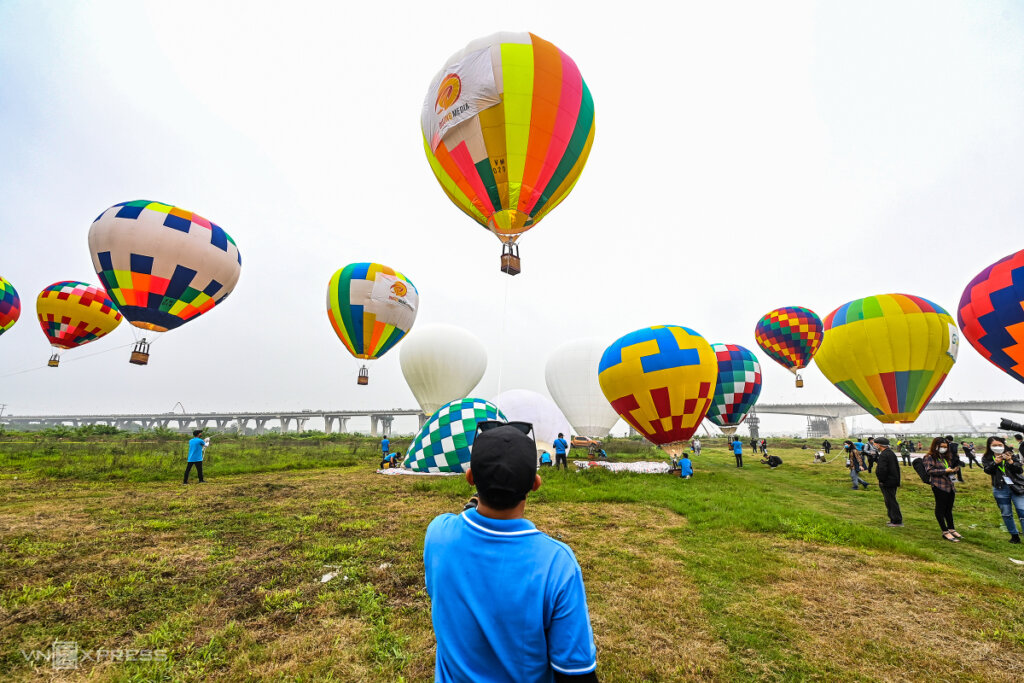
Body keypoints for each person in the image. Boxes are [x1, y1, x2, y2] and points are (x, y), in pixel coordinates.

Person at [424, 424, 598, 682]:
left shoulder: (438, 534)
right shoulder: (557, 563)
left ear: (470, 477)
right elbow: (575, 673)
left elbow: (464, 515)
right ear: (535, 484)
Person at [981, 436, 1024, 544]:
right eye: (994, 445)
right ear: (989, 446)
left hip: (1016, 487)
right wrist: (995, 462)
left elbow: (1019, 470)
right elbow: (987, 470)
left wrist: (1010, 461)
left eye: (1000, 445)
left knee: (1022, 511)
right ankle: (1014, 535)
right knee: (1006, 513)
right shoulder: (987, 457)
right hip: (1000, 488)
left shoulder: (1011, 455)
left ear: (1003, 445)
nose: (998, 447)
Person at [922, 437, 961, 542]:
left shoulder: (945, 457)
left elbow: (948, 469)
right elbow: (929, 470)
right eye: (942, 447)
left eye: (945, 447)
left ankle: (951, 528)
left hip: (950, 485)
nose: (944, 449)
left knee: (949, 509)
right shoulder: (929, 457)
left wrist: (954, 470)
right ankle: (945, 531)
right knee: (940, 508)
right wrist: (944, 470)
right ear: (935, 446)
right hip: (939, 486)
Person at [873, 437, 902, 527]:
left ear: (879, 444)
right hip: (892, 481)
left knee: (891, 501)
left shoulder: (884, 455)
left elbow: (882, 469)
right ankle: (893, 519)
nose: (874, 445)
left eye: (875, 444)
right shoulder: (889, 453)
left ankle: (896, 521)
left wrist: (881, 480)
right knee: (889, 500)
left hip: (887, 482)